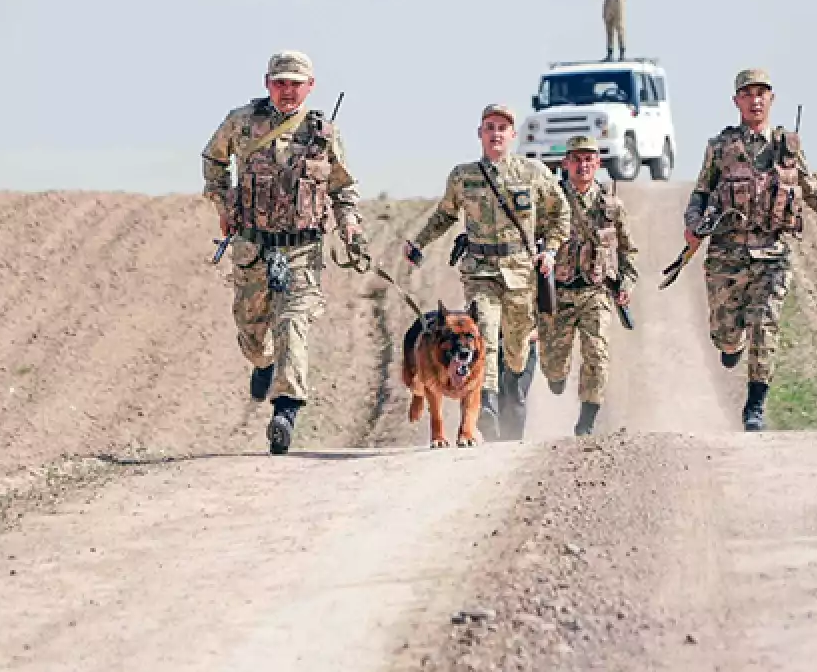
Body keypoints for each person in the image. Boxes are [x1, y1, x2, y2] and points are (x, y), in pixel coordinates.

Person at [201, 50, 366, 455]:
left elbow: (343, 187)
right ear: (267, 83)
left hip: (302, 249)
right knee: (252, 328)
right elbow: (213, 160)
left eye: (296, 83)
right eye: (280, 82)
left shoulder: (322, 133)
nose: (287, 90)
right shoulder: (241, 122)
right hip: (253, 246)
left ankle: (285, 411)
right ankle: (262, 364)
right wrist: (223, 206)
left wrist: (350, 225)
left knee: (293, 322)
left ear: (310, 87)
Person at [684, 68, 817, 431]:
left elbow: (806, 185)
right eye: (747, 94)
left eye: (762, 93)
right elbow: (701, 191)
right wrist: (693, 224)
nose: (755, 100)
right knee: (725, 333)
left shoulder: (786, 146)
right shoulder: (720, 147)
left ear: (771, 99)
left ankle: (754, 407)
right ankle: (732, 347)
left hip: (772, 253)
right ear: (736, 102)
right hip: (726, 254)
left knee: (765, 325)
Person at [404, 104, 570, 442]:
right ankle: (488, 408)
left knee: (517, 347)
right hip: (480, 271)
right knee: (487, 335)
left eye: (503, 128)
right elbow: (444, 215)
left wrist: (549, 251)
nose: (496, 133)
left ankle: (512, 394)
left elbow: (560, 214)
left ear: (513, 135)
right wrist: (418, 243)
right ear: (480, 133)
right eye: (490, 126)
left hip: (522, 274)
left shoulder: (533, 173)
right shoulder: (463, 176)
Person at [539, 135, 638, 436]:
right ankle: (556, 376)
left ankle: (587, 420)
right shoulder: (551, 202)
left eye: (588, 159)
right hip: (559, 294)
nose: (583, 165)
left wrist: (627, 283)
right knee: (553, 366)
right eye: (576, 159)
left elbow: (627, 250)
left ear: (598, 164)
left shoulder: (611, 206)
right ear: (566, 163)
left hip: (596, 292)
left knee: (598, 353)